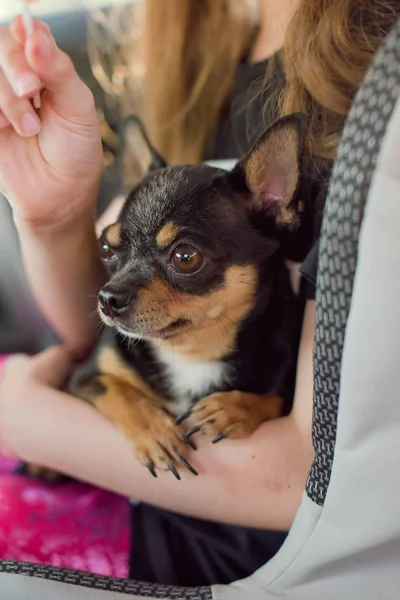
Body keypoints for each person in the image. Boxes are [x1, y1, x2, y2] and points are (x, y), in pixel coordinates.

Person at [0, 0, 397, 588]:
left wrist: (29, 423)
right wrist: (50, 214)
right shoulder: (196, 60)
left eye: (184, 259)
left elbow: (304, 480)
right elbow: (100, 332)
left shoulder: (373, 79)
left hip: (239, 548)